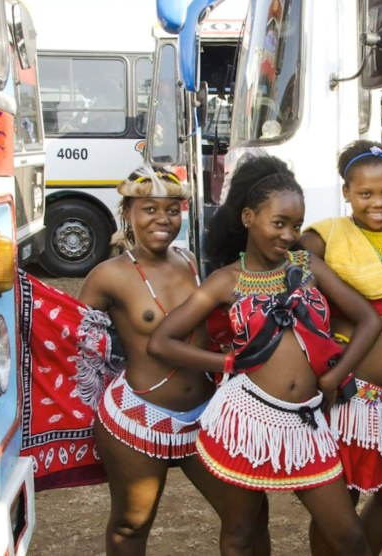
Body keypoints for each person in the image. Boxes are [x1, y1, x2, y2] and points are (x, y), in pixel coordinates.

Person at [146, 155, 382, 555]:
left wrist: (333, 375)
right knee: (241, 534)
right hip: (246, 422)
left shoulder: (308, 266)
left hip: (307, 422)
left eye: (295, 225)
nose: (289, 235)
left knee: (349, 537)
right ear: (248, 217)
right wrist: (225, 364)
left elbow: (369, 321)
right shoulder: (226, 282)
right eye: (279, 223)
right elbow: (162, 342)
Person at [78, 167, 268, 556]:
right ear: (127, 212)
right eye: (149, 209)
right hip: (137, 418)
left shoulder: (188, 261)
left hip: (203, 416)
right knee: (131, 525)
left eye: (171, 210)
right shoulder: (107, 276)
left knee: (248, 514)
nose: (162, 220)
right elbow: (73, 337)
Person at [298, 141, 382, 554]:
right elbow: (292, 289)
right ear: (347, 193)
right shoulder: (325, 234)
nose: (378, 202)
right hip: (352, 394)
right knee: (340, 499)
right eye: (365, 194)